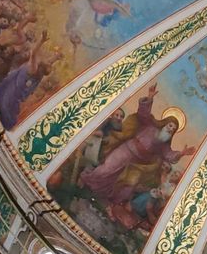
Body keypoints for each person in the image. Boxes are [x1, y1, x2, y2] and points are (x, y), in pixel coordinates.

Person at [78, 89, 195, 228]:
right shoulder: (151, 125)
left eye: (173, 129)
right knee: (108, 168)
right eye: (170, 125)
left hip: (137, 164)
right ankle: (86, 179)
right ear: (165, 123)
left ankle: (111, 203)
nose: (170, 129)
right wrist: (149, 98)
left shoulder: (164, 145)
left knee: (128, 186)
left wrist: (182, 153)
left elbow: (169, 155)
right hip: (126, 150)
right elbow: (143, 114)